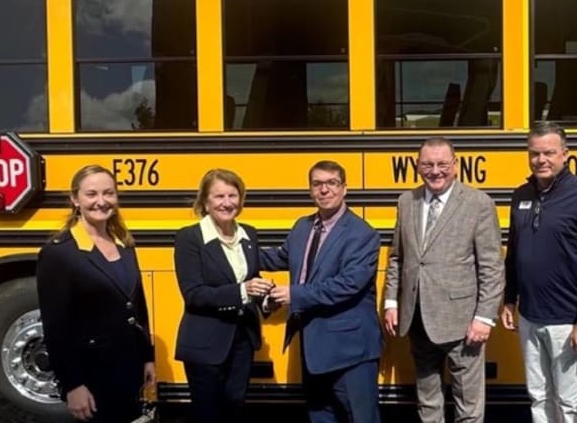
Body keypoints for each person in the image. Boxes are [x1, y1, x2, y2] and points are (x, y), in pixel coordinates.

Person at [383, 137, 504, 423]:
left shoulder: (478, 203)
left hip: (463, 323)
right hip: (417, 319)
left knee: (469, 407)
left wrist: (484, 318)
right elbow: (397, 257)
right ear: (417, 166)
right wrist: (391, 301)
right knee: (427, 403)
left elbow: (492, 266)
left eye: (442, 164)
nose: (435, 170)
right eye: (427, 164)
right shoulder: (407, 201)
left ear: (456, 165)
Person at [500, 122, 577, 423]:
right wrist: (510, 298)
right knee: (539, 397)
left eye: (549, 152)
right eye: (534, 153)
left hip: (567, 321)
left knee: (570, 403)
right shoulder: (520, 194)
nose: (541, 160)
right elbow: (514, 253)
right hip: (530, 317)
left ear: (565, 154)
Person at [261, 160, 382, 423]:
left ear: (344, 188)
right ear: (310, 190)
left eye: (332, 183)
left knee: (361, 417)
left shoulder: (363, 234)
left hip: (350, 351)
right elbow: (280, 257)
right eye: (317, 184)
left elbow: (348, 284)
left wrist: (295, 295)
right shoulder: (302, 227)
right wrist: (235, 250)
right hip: (314, 347)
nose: (324, 190)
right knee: (321, 416)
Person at [37, 164, 155, 422]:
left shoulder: (123, 243)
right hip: (92, 376)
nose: (101, 201)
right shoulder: (59, 253)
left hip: (128, 368)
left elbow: (137, 307)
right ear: (74, 199)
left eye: (109, 193)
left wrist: (147, 357)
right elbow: (56, 328)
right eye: (91, 194)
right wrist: (72, 385)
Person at [173, 169, 275, 423]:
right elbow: (193, 294)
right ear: (205, 202)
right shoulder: (189, 238)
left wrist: (267, 298)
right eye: (219, 196)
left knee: (235, 411)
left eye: (233, 195)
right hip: (205, 343)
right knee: (208, 414)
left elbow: (252, 278)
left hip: (242, 342)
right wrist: (244, 290)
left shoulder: (248, 234)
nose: (227, 203)